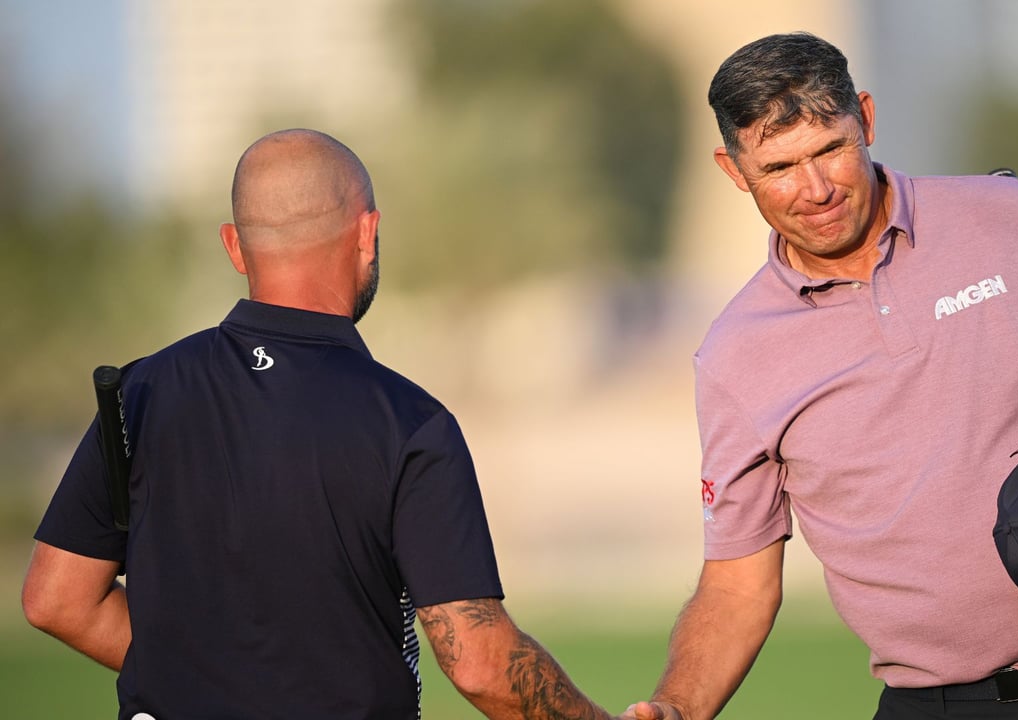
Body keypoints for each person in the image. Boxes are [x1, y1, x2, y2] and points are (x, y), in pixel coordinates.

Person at [625, 32, 1018, 720]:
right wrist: (675, 706)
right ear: (733, 169)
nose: (814, 190)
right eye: (780, 166)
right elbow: (737, 585)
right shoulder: (732, 357)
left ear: (865, 118)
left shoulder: (1012, 217)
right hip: (935, 707)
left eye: (830, 150)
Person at [22, 128, 618, 720]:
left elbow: (57, 600)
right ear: (368, 233)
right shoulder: (409, 423)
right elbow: (479, 661)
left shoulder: (139, 391)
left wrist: (209, 678)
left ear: (233, 247)